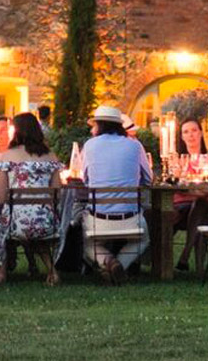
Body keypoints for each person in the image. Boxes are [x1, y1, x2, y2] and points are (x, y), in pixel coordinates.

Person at [69, 105, 152, 284]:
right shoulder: (135, 145)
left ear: (99, 125)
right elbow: (149, 179)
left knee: (89, 244)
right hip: (131, 217)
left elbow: (85, 179)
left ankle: (109, 262)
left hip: (99, 218)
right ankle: (120, 265)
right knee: (143, 240)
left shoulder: (90, 146)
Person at [0, 113, 63, 286]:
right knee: (33, 233)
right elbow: (57, 193)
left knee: (2, 224)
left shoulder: (7, 157)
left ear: (17, 132)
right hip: (46, 222)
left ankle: (1, 273)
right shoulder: (51, 157)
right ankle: (51, 270)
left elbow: (1, 198)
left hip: (17, 223)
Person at [172, 118, 208, 272]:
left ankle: (185, 255)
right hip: (182, 206)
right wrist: (198, 192)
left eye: (194, 130)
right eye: (186, 132)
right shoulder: (177, 160)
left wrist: (194, 192)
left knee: (200, 204)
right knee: (199, 210)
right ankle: (198, 268)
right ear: (182, 137)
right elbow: (175, 186)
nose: (191, 135)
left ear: (200, 133)